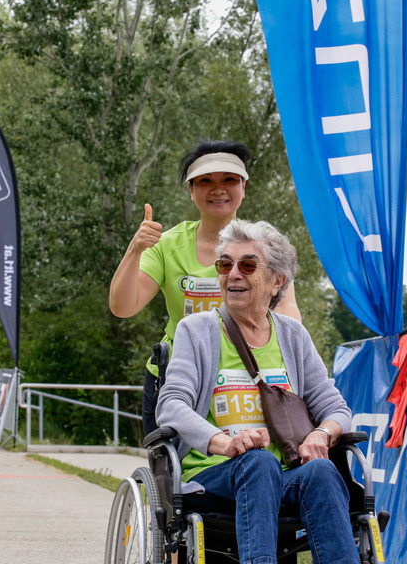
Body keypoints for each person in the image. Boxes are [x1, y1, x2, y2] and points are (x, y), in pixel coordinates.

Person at [156, 220, 362, 564]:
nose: (233, 274)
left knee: (323, 470)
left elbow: (336, 408)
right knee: (258, 462)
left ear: (277, 280)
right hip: (215, 475)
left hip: (284, 476)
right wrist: (225, 442)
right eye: (225, 264)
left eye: (247, 265)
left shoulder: (293, 336)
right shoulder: (197, 330)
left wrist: (323, 434)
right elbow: (172, 405)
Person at [109, 141, 300, 434]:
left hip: (245, 381)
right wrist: (135, 249)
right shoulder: (167, 245)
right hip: (179, 380)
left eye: (229, 180)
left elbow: (289, 322)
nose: (218, 189)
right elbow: (122, 307)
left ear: (244, 188)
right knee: (174, 475)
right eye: (205, 181)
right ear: (191, 190)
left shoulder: (267, 247)